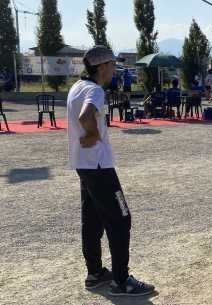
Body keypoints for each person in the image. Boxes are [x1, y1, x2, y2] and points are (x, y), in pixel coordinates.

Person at [66, 45, 155, 296]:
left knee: (92, 219)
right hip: (98, 165)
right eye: (113, 65)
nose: (115, 69)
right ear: (102, 67)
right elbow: (86, 117)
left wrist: (89, 135)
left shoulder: (77, 87)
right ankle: (120, 280)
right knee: (121, 218)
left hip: (83, 164)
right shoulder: (94, 90)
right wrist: (92, 134)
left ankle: (95, 273)